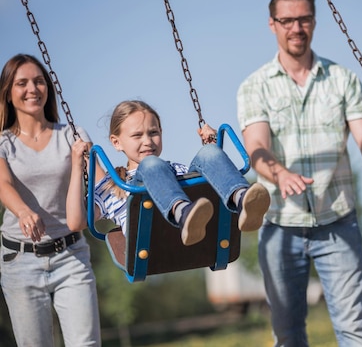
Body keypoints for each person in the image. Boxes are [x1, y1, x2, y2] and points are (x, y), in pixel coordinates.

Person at [237, 0, 362, 345]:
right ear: (272, 24)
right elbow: (257, 149)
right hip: (280, 225)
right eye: (287, 21)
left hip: (337, 222)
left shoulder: (343, 80)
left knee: (356, 328)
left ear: (314, 22)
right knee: (287, 335)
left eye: (303, 20)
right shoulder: (253, 86)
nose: (296, 28)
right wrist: (280, 175)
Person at [0, 54, 101, 346]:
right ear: (8, 92)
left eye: (39, 81)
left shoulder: (72, 134)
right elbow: (3, 183)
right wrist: (22, 211)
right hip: (20, 259)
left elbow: (100, 181)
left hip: (71, 255)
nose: (32, 89)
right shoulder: (4, 143)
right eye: (22, 83)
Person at [68, 100, 270, 246]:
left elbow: (211, 192)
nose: (147, 141)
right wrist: (78, 167)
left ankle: (244, 201)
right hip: (152, 243)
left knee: (208, 153)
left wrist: (214, 148)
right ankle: (183, 214)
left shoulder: (176, 170)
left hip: (199, 239)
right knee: (151, 165)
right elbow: (76, 223)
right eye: (137, 135)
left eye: (153, 133)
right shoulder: (113, 188)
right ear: (116, 142)